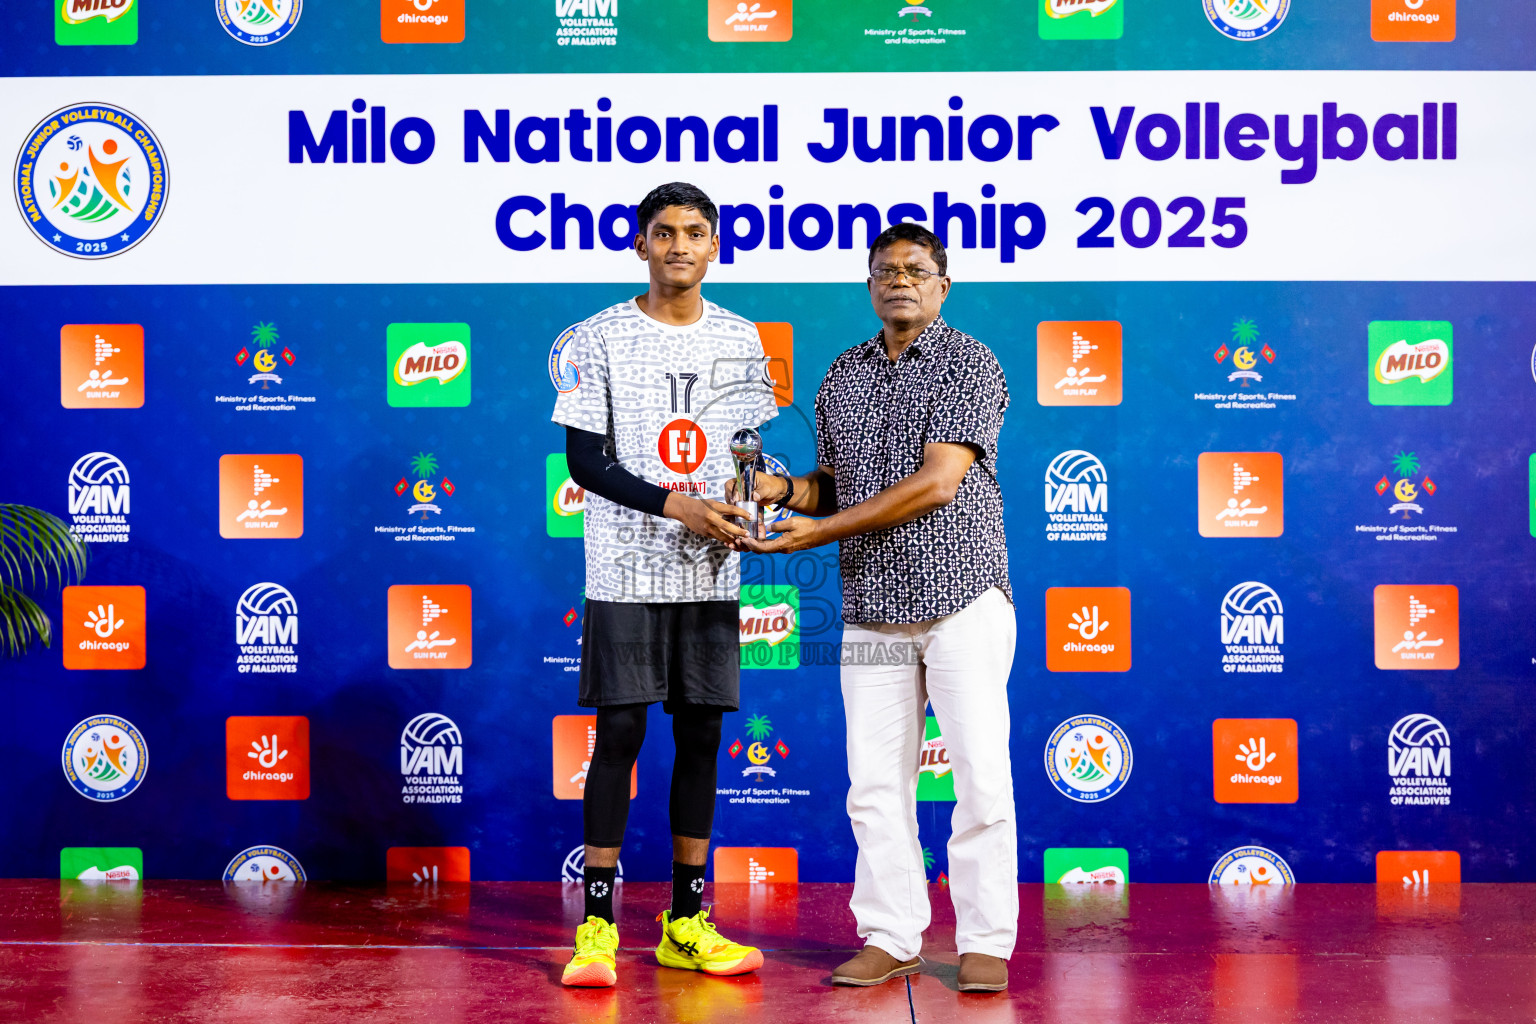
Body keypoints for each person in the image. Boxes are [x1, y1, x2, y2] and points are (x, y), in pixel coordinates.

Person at [736, 223, 1017, 994]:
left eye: (917, 270)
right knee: (872, 784)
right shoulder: (842, 375)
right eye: (886, 270)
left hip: (962, 593)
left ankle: (986, 939)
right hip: (871, 604)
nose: (901, 280)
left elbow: (938, 483)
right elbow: (834, 482)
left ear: (942, 285)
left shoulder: (969, 362)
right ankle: (890, 935)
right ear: (868, 285)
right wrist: (785, 493)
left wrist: (819, 530)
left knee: (980, 779)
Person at [551, 182, 776, 988]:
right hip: (624, 566)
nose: (679, 245)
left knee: (702, 737)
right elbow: (585, 464)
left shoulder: (743, 337)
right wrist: (676, 502)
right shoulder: (599, 336)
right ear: (640, 244)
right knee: (618, 734)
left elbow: (746, 451)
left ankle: (686, 921)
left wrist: (758, 498)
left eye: (695, 232)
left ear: (715, 246)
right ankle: (599, 928)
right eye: (664, 232)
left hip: (712, 564)